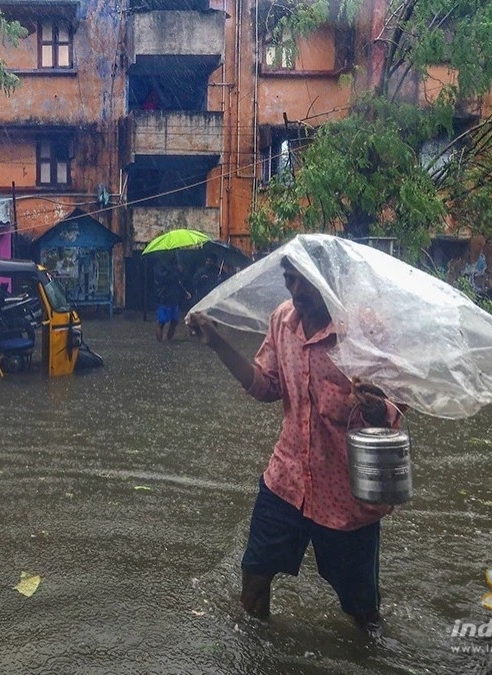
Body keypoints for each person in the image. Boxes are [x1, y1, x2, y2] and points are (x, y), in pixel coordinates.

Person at [186, 256, 399, 636]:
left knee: (362, 610)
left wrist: (377, 407)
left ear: (330, 282)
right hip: (286, 482)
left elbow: (397, 406)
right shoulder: (283, 321)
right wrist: (218, 342)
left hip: (346, 497)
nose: (297, 291)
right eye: (289, 280)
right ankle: (255, 652)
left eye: (306, 282)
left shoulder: (363, 330)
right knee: (254, 575)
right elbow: (267, 386)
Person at [154, 259, 190, 342]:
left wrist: (184, 292)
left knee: (174, 321)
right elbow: (164, 279)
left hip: (174, 299)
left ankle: (169, 340)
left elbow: (178, 283)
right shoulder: (161, 268)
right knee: (161, 323)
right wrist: (177, 272)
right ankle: (160, 342)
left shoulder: (176, 269)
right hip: (164, 299)